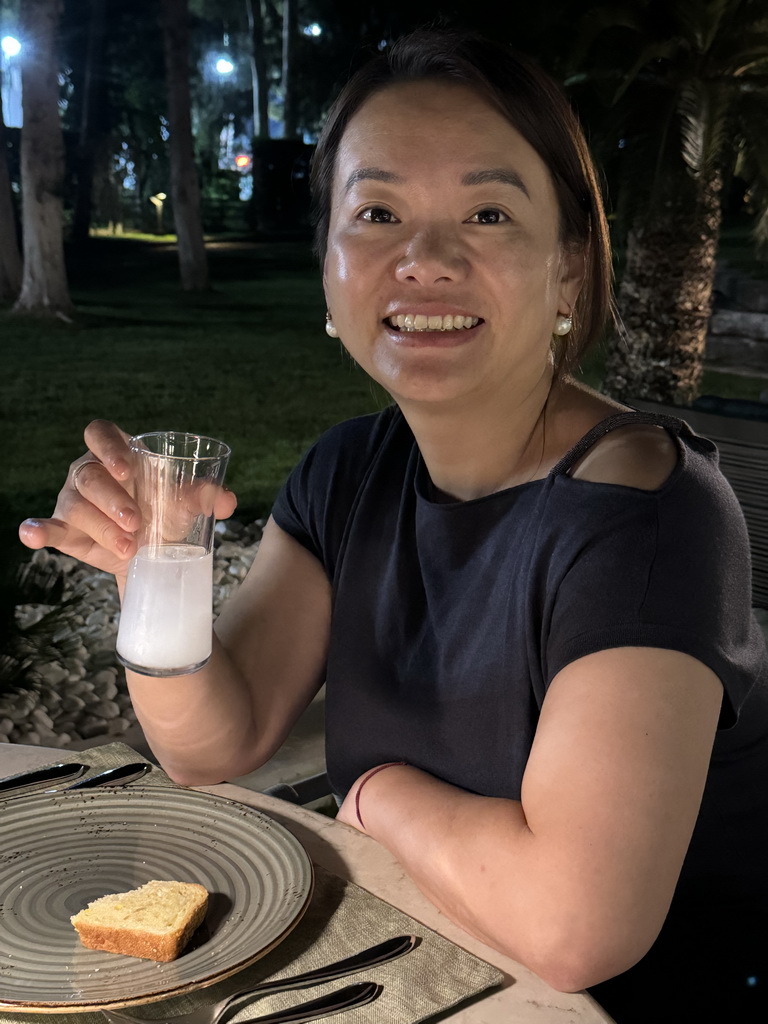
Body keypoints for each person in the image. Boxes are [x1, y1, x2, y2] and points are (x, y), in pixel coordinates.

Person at [19, 28, 768, 1024]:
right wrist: (155, 574)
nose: (424, 259)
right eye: (377, 212)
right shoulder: (348, 470)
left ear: (571, 270)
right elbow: (215, 740)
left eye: (488, 212)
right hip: (426, 952)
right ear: (330, 269)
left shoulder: (645, 515)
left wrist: (373, 796)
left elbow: (578, 926)